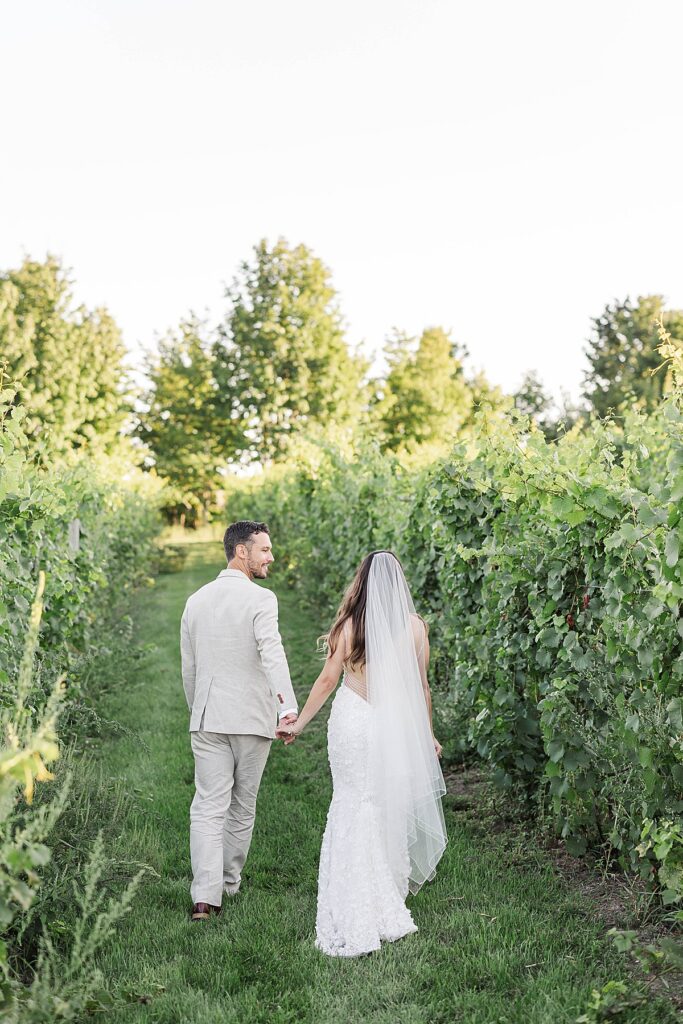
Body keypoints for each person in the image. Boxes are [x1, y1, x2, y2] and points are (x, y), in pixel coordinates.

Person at [277, 550, 447, 957]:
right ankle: (383, 895)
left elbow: (327, 680)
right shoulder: (417, 628)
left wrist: (299, 723)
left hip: (354, 721)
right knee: (382, 803)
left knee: (352, 802)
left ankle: (356, 901)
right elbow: (422, 689)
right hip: (391, 725)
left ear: (362, 582)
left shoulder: (352, 625)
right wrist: (428, 735)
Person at [180, 520, 298, 921]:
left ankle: (204, 897)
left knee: (207, 807)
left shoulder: (196, 600)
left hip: (208, 716)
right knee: (241, 805)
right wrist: (286, 707)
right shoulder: (261, 600)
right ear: (241, 552)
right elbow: (273, 654)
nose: (271, 557)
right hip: (251, 717)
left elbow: (189, 669)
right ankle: (228, 883)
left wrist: (198, 709)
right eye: (265, 550)